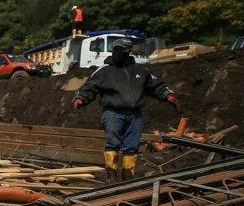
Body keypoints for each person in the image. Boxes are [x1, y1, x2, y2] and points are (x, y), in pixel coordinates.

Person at [73, 38, 178, 180]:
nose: (119, 53)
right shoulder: (104, 71)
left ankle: (128, 177)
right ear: (113, 51)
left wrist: (167, 95)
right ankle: (111, 176)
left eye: (123, 50)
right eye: (117, 50)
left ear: (129, 51)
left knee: (132, 147)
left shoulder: (141, 69)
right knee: (112, 144)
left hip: (135, 115)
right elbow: (89, 88)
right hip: (113, 113)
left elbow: (155, 85)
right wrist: (81, 99)